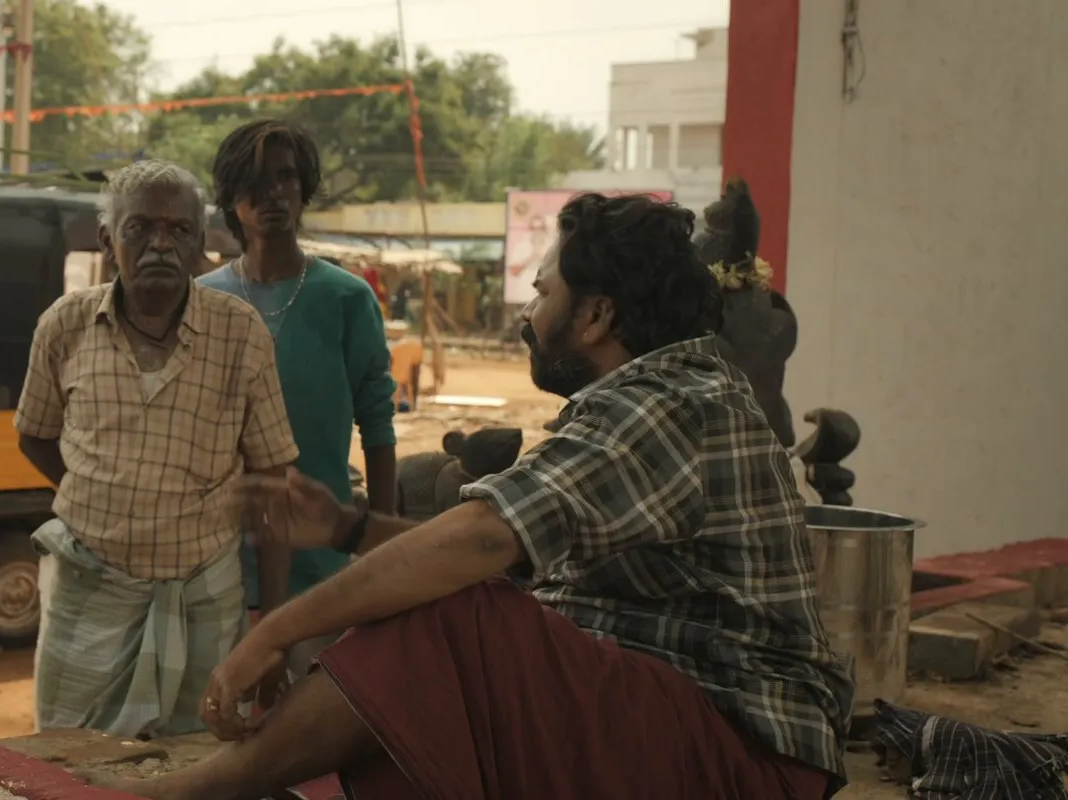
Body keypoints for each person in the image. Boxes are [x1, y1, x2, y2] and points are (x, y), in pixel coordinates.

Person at [96, 193, 855, 800]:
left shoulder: (670, 405)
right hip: (686, 735)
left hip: (746, 764)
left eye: (543, 293)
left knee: (452, 609)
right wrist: (348, 527)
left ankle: (199, 792)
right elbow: (487, 555)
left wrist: (276, 631)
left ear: (596, 316)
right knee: (446, 606)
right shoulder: (655, 396)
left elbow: (480, 541)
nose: (527, 316)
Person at [15, 158, 299, 739]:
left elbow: (273, 489)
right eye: (140, 228)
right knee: (70, 760)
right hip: (89, 591)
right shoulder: (64, 326)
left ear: (200, 244)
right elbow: (34, 435)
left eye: (179, 231)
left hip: (204, 596)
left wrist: (273, 632)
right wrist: (100, 496)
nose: (160, 246)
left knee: (203, 756)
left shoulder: (241, 333)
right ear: (107, 240)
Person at [194, 120, 396, 684]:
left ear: (304, 188)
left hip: (320, 573)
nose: (272, 194)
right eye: (254, 181)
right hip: (213, 571)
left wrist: (377, 553)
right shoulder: (203, 301)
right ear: (230, 197)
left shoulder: (346, 298)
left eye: (285, 177)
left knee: (307, 722)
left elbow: (377, 425)